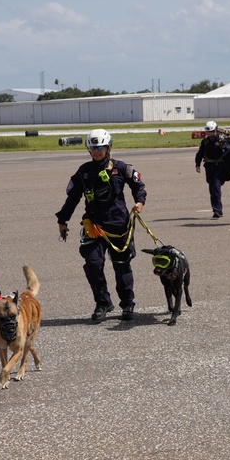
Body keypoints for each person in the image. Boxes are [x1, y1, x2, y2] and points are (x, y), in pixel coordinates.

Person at [56, 129, 146, 322]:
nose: (96, 151)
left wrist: (139, 202)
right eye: (93, 148)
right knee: (93, 264)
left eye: (100, 147)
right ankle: (103, 302)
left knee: (122, 266)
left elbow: (138, 184)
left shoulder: (121, 168)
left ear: (108, 147)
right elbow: (72, 199)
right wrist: (62, 220)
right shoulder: (83, 172)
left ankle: (127, 303)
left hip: (118, 225)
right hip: (94, 225)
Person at [194, 120, 230, 219]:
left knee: (216, 186)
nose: (210, 134)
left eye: (212, 131)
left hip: (220, 166)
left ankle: (217, 210)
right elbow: (200, 153)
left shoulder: (222, 140)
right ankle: (218, 208)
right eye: (208, 132)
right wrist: (197, 164)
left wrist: (222, 147)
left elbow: (229, 150)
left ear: (215, 130)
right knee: (213, 188)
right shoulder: (205, 141)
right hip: (209, 167)